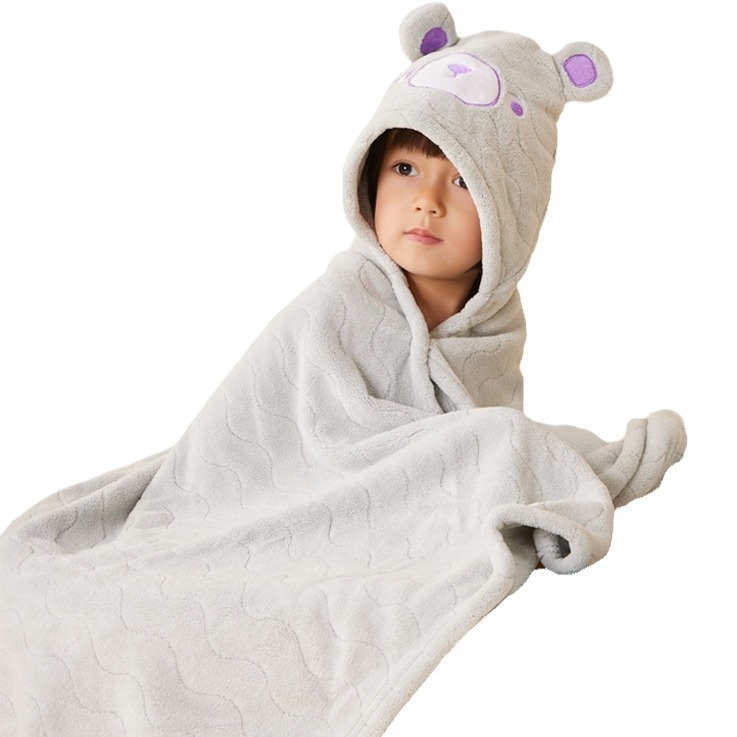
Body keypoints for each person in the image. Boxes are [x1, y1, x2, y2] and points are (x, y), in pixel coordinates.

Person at [0, 5, 686, 736]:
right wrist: (494, 452)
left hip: (397, 508)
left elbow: (470, 439)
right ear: (369, 176)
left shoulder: (494, 332)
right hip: (267, 501)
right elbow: (290, 424)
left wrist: (529, 456)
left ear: (511, 214)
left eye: (463, 181)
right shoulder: (338, 301)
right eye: (405, 168)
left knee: (503, 445)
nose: (426, 200)